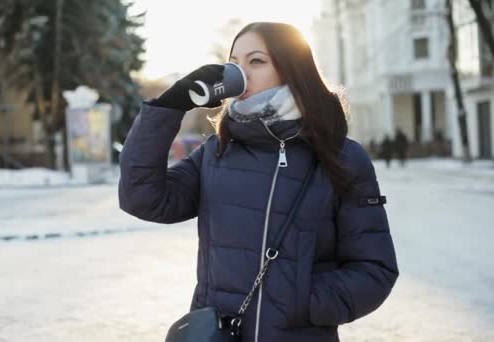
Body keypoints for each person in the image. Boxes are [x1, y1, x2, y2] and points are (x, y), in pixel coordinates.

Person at [119, 22, 398, 342]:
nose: (240, 75)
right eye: (234, 64)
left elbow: (374, 270)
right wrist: (172, 104)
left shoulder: (343, 157)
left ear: (292, 69)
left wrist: (300, 304)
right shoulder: (216, 152)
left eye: (256, 61)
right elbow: (141, 197)